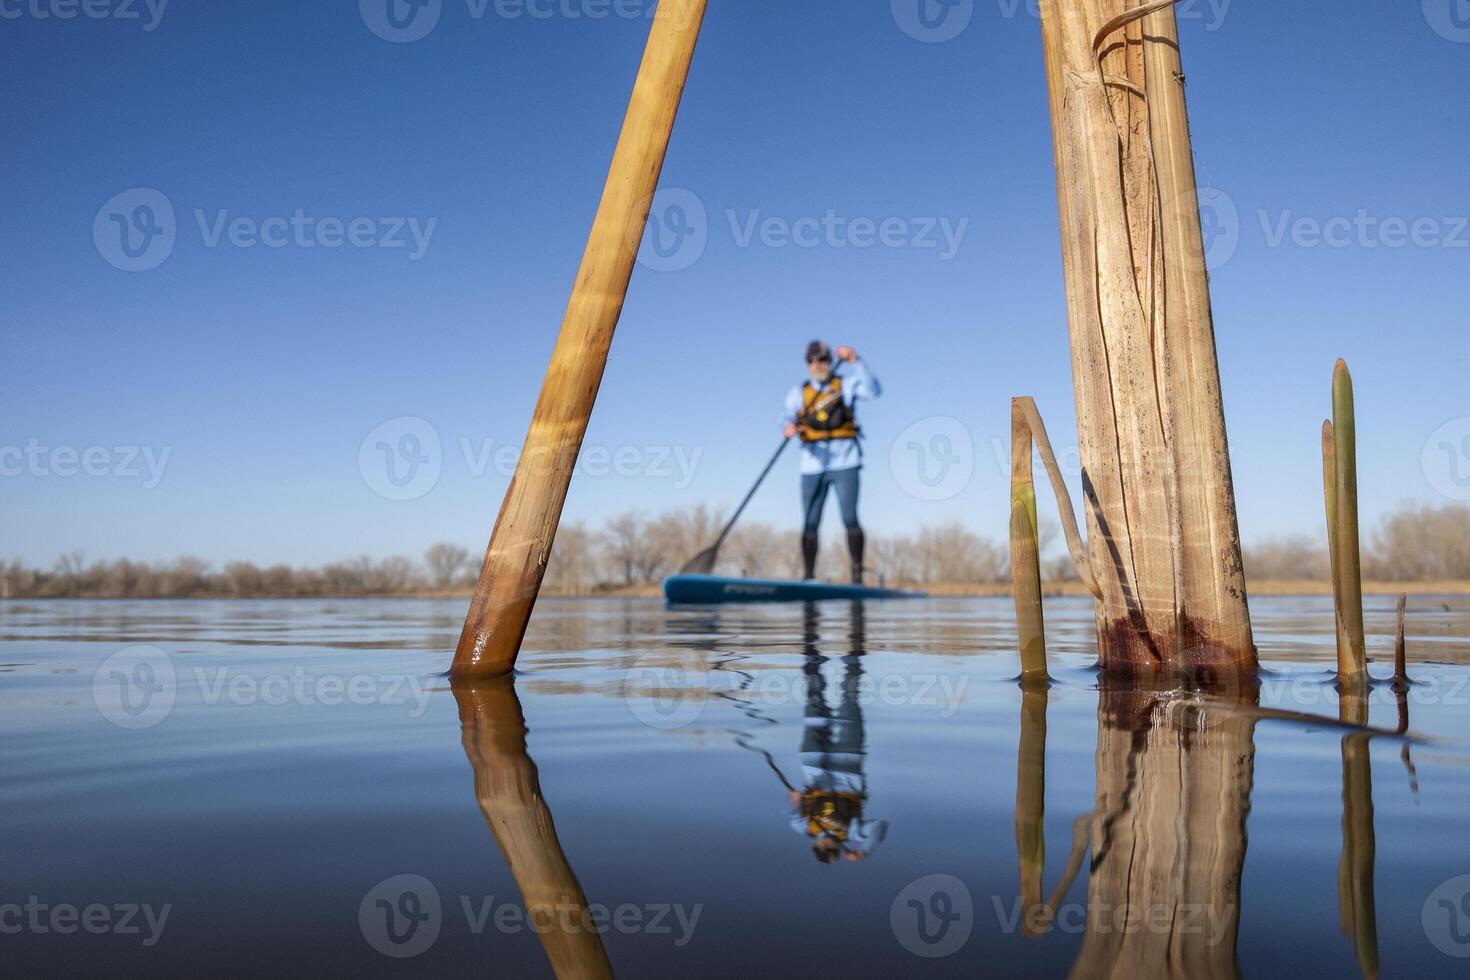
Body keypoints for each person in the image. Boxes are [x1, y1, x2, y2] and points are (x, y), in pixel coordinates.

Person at [783, 341, 881, 583]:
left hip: (846, 462)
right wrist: (787, 427)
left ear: (829, 360)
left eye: (822, 359)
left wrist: (856, 361)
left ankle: (857, 575)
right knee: (810, 522)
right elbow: (785, 417)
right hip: (812, 465)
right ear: (807, 364)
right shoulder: (798, 393)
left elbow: (874, 391)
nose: (817, 364)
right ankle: (808, 576)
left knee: (850, 518)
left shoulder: (846, 386)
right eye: (812, 361)